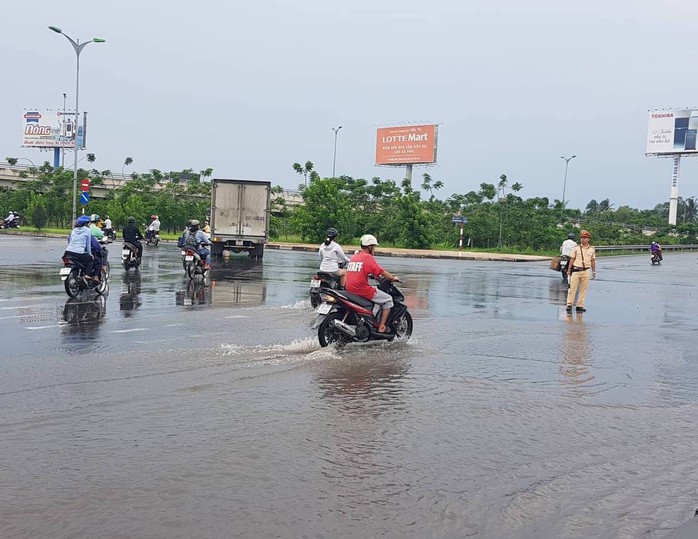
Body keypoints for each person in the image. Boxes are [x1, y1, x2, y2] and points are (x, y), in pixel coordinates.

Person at [345, 234, 400, 334]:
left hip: (349, 289)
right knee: (388, 300)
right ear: (370, 247)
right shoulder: (368, 257)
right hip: (361, 290)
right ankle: (382, 326)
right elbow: (381, 271)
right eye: (374, 246)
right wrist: (392, 278)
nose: (374, 249)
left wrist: (373, 276)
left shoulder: (355, 256)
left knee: (375, 292)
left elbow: (364, 271)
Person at [566, 229, 596, 313]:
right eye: (582, 237)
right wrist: (569, 270)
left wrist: (594, 271)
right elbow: (572, 259)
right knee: (572, 288)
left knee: (583, 289)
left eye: (585, 238)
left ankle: (580, 306)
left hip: (586, 271)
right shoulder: (576, 248)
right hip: (576, 270)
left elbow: (592, 260)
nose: (583, 239)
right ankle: (569, 304)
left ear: (588, 239)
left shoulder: (592, 249)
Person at [63, 215, 95, 279]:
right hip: (79, 253)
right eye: (89, 223)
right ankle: (86, 274)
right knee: (90, 260)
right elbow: (88, 244)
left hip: (68, 252)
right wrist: (90, 254)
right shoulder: (87, 230)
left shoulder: (74, 230)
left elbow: (70, 240)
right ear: (85, 223)